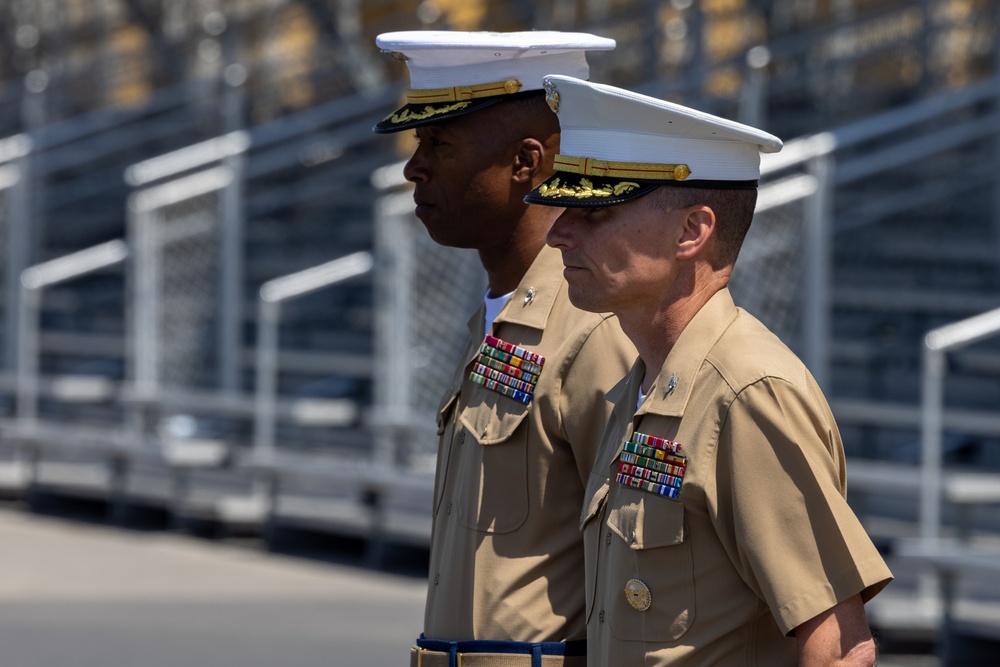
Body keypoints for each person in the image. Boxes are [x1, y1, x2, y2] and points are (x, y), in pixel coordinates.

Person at [524, 75, 894, 666]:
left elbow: (841, 648)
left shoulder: (745, 393)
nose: (559, 231)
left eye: (594, 213)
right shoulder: (647, 385)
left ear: (692, 231)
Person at [372, 32, 636, 667]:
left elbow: (648, 570)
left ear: (525, 162)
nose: (415, 167)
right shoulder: (502, 317)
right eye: (418, 143)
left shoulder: (595, 331)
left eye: (441, 144)